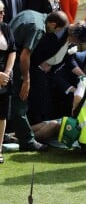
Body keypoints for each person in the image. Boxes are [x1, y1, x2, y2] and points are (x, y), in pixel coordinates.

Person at [9, 10, 69, 152]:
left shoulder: (30, 14)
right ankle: (28, 141)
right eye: (58, 30)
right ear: (53, 24)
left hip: (6, 56)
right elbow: (25, 55)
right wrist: (26, 79)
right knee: (20, 102)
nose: (56, 33)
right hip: (13, 61)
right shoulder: (38, 28)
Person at [0, 0, 14, 164]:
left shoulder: (6, 28)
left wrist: (7, 73)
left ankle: (0, 148)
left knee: (2, 116)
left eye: (3, 11)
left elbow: (12, 51)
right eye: (0, 12)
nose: (3, 15)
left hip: (5, 79)